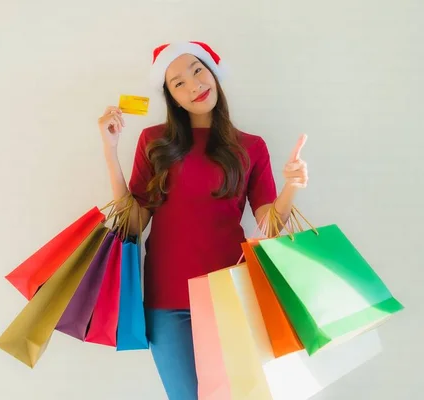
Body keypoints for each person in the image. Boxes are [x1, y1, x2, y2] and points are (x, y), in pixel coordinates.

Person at [97, 41, 308, 400]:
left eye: (197, 70)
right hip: (167, 301)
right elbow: (131, 224)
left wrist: (293, 186)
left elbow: (269, 226)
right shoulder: (154, 142)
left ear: (212, 73)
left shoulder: (251, 147)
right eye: (178, 82)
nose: (194, 85)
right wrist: (110, 151)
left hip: (231, 294)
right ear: (172, 97)